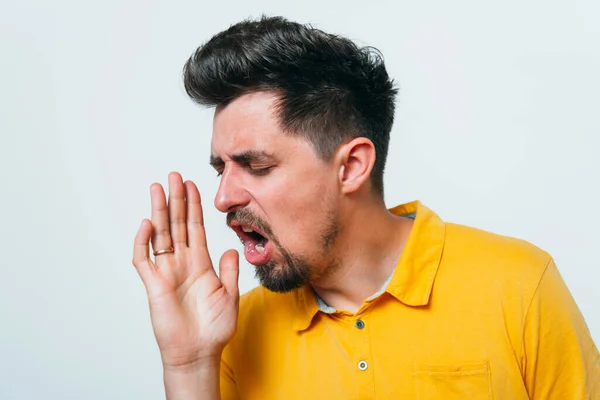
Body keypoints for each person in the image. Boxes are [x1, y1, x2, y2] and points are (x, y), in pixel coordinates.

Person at [132, 16, 600, 399]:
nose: (223, 198)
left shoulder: (519, 284)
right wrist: (189, 365)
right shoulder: (230, 330)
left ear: (352, 165)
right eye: (221, 169)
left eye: (255, 165)